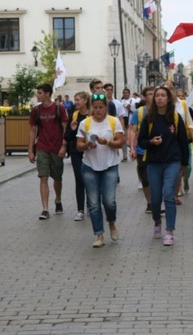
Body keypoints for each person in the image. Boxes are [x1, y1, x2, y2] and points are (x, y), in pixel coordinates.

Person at [137, 86, 190, 246]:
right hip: (153, 162)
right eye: (157, 96)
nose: (160, 98)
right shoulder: (148, 118)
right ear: (154, 100)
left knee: (169, 195)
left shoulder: (175, 117)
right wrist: (151, 142)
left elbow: (182, 141)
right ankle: (157, 222)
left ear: (168, 99)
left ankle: (170, 231)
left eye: (163, 95)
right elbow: (141, 141)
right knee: (155, 199)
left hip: (172, 161)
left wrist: (184, 163)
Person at [76, 92, 125, 248]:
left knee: (109, 201)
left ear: (106, 108)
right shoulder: (85, 123)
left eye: (101, 107)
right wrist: (88, 145)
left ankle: (111, 222)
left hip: (110, 165)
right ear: (92, 108)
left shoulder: (113, 121)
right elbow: (79, 145)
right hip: (90, 166)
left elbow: (120, 142)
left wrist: (108, 142)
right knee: (93, 203)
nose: (98, 111)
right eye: (95, 107)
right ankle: (99, 235)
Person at [28, 83, 69, 220]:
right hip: (42, 148)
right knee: (43, 177)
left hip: (56, 148)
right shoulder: (36, 110)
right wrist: (30, 150)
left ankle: (58, 199)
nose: (37, 95)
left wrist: (64, 145)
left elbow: (65, 128)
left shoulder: (59, 108)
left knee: (57, 178)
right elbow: (32, 130)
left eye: (39, 93)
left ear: (47, 94)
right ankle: (45, 209)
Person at [64, 91, 90, 221]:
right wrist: (73, 130)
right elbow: (67, 136)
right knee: (79, 179)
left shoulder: (92, 115)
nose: (76, 102)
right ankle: (80, 210)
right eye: (75, 100)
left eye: (78, 99)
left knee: (90, 179)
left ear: (85, 101)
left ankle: (91, 204)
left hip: (90, 152)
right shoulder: (74, 115)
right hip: (76, 151)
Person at [129, 86, 155, 213]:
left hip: (158, 150)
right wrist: (132, 148)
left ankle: (156, 201)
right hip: (142, 150)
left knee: (156, 177)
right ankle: (149, 203)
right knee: (145, 178)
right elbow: (133, 130)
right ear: (145, 97)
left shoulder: (162, 110)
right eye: (149, 94)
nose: (152, 96)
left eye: (153, 93)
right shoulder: (139, 112)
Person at [104, 83, 129, 161]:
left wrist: (123, 130)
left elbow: (121, 117)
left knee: (121, 140)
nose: (109, 91)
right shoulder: (101, 102)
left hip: (116, 125)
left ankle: (124, 155)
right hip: (106, 126)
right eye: (107, 90)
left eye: (111, 90)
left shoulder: (118, 103)